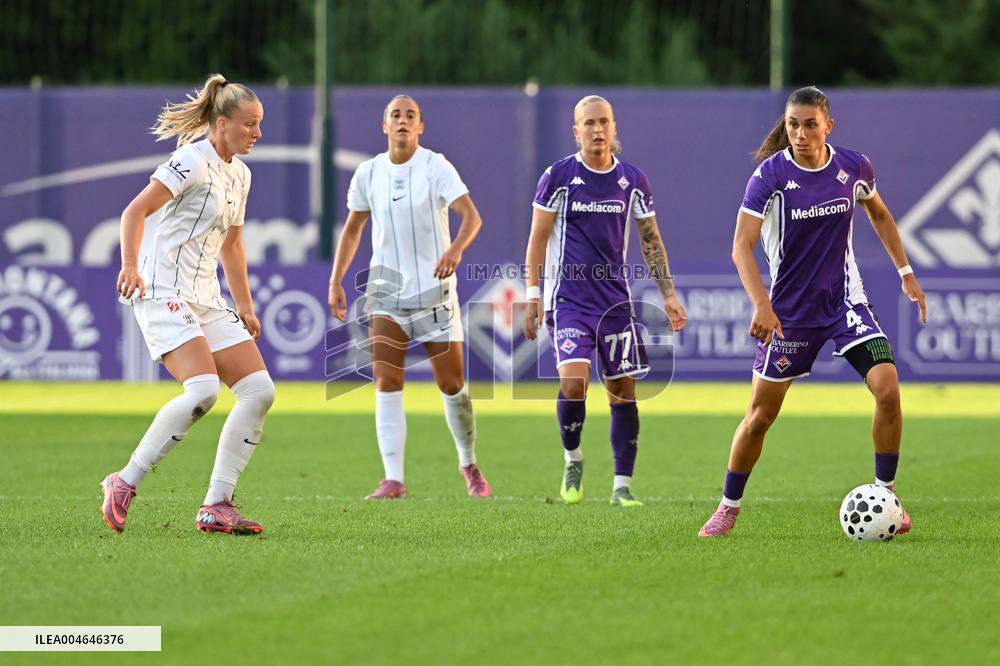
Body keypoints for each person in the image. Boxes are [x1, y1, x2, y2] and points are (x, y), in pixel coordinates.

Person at [698, 86, 927, 537]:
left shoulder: (852, 167)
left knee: (888, 391)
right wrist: (761, 305)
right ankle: (728, 506)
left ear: (828, 125)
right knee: (760, 418)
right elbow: (740, 247)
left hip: (845, 303)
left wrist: (905, 270)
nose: (800, 134)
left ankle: (888, 497)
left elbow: (878, 213)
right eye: (792, 125)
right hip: (789, 315)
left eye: (809, 124)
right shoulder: (770, 177)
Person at [101, 74, 275, 535]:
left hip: (206, 297)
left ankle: (216, 504)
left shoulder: (241, 172)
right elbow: (133, 211)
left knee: (259, 391)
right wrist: (130, 265)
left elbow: (233, 246)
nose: (257, 133)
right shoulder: (190, 161)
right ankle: (124, 481)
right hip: (161, 291)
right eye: (249, 124)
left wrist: (246, 306)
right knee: (202, 392)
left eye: (259, 124)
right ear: (221, 124)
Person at [523, 95, 687, 507]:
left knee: (622, 394)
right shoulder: (558, 176)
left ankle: (621, 487)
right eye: (589, 124)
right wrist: (532, 294)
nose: (598, 130)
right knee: (573, 382)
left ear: (614, 129)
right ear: (575, 131)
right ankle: (573, 458)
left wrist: (668, 294)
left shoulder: (632, 180)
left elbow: (651, 240)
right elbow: (537, 239)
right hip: (570, 302)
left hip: (615, 305)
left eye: (604, 123)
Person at [328, 94, 491, 499]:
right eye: (395, 115)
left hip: (434, 293)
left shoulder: (436, 166)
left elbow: (471, 217)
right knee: (387, 380)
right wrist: (336, 280)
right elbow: (352, 230)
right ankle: (393, 478)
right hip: (386, 294)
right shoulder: (368, 173)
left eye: (410, 116)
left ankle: (468, 463)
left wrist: (454, 251)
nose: (403, 120)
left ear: (421, 126)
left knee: (452, 385)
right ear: (384, 126)